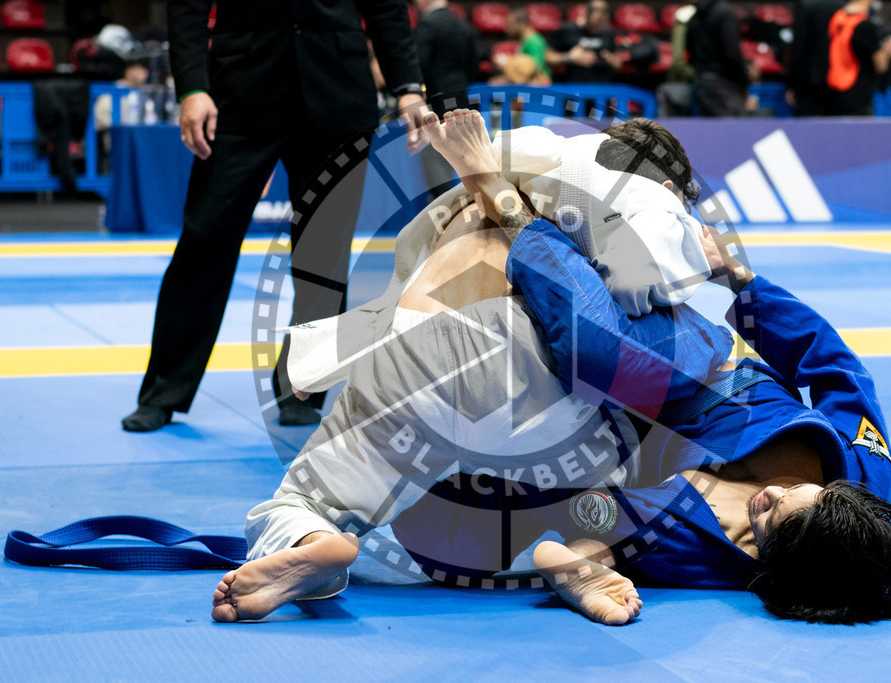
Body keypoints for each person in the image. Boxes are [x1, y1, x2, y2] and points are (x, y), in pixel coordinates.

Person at [393, 111, 891, 626]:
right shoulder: (864, 470)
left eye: (767, 525)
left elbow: (598, 513)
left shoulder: (709, 555)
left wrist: (586, 563)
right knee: (603, 357)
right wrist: (741, 281)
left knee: (447, 543)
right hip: (705, 372)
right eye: (796, 497)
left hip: (616, 426)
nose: (772, 500)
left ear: (770, 569)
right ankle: (502, 197)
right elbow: (834, 366)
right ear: (846, 499)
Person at [207, 114, 729, 623]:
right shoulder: (638, 199)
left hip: (411, 359)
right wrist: (718, 273)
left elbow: (396, 303)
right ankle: (585, 552)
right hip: (533, 377)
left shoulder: (526, 159)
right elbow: (624, 306)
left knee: (305, 500)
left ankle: (314, 541)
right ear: (667, 184)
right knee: (638, 471)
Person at [121, 0, 429, 432]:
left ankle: (301, 386)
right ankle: (163, 391)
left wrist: (408, 85)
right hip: (240, 91)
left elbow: (385, 6)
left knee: (324, 254)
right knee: (203, 240)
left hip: (336, 91)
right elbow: (187, 8)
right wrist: (192, 86)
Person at [413, 0, 479, 200]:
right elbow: (473, 66)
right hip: (461, 98)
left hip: (435, 100)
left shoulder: (427, 26)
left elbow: (418, 65)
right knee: (463, 157)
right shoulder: (464, 25)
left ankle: (443, 206)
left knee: (435, 155)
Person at [824, 0, 891, 116]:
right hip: (858, 93)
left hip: (835, 87)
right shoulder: (865, 27)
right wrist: (888, 52)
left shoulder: (837, 19)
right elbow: (881, 65)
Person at [685, 0, 750, 116]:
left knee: (712, 129)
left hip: (702, 80)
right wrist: (744, 80)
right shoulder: (726, 13)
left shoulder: (695, 15)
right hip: (725, 83)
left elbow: (689, 50)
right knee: (733, 129)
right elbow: (732, 52)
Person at [786, 0, 844, 116]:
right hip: (841, 81)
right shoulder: (846, 5)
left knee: (808, 131)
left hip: (810, 82)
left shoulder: (805, 5)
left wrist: (792, 84)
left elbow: (798, 47)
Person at [546, 0, 623, 82]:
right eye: (596, 22)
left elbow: (618, 65)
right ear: (587, 14)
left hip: (602, 86)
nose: (597, 29)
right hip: (575, 85)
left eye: (602, 23)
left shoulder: (608, 33)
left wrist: (610, 59)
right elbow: (548, 57)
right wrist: (569, 57)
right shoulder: (568, 30)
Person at [497, 8, 551, 84]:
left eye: (510, 24)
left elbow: (534, 69)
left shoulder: (534, 41)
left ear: (521, 25)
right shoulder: (525, 41)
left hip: (538, 88)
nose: (506, 28)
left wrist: (507, 63)